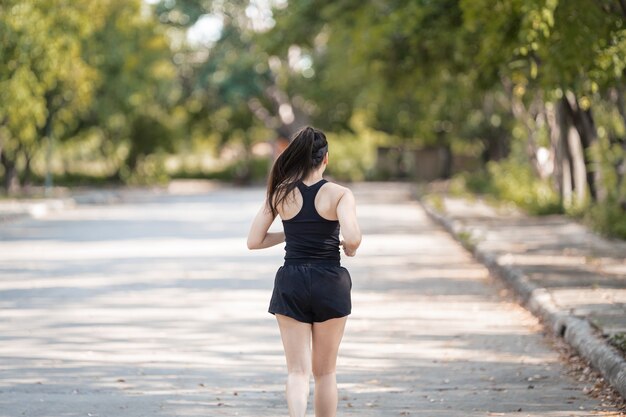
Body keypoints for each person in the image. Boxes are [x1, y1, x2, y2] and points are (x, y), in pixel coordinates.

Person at [247, 126, 362, 417]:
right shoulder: (340, 194)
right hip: (329, 281)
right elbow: (352, 238)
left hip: (292, 281)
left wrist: (291, 233)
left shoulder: (280, 193)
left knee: (297, 372)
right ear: (325, 158)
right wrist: (349, 248)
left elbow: (254, 241)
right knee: (325, 373)